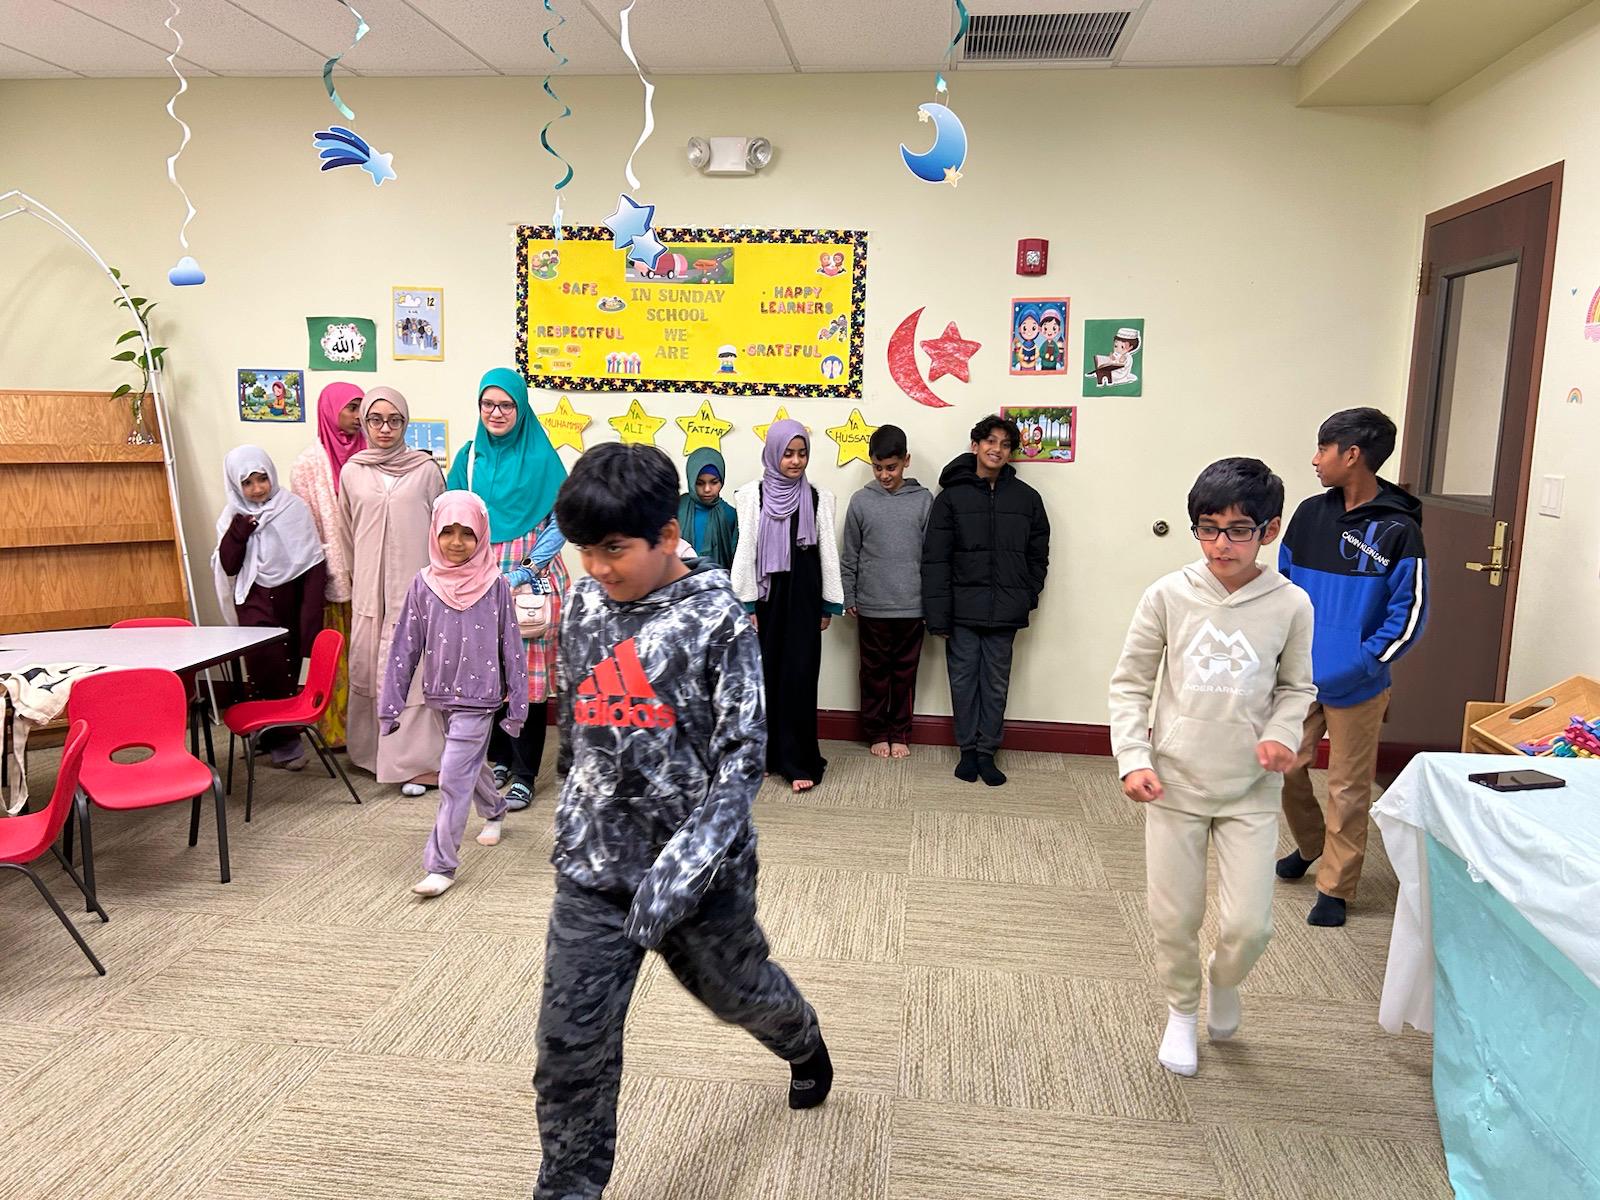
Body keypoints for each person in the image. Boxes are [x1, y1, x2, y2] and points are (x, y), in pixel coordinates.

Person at [534, 443, 831, 1199]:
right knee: (570, 1051)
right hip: (594, 872)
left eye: (613, 549)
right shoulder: (584, 602)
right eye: (584, 550)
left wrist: (683, 869)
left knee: (738, 995)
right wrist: (570, 808)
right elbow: (576, 715)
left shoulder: (717, 619)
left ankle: (802, 1039)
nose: (597, 567)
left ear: (667, 535)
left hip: (699, 877)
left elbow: (742, 760)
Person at [1110, 457, 1315, 1078]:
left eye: (1238, 530)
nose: (1221, 544)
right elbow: (1131, 684)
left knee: (1251, 926)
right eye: (1208, 528)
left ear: (1269, 530)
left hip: (1250, 789)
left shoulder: (1291, 604)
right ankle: (1180, 1010)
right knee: (1174, 918)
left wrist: (1281, 735)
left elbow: (1296, 688)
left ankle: (1224, 981)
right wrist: (1133, 757)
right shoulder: (1167, 595)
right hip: (1173, 783)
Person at [1276, 407, 1429, 927]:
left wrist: (1364, 661)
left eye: (1323, 449)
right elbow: (1283, 587)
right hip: (1301, 677)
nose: (1315, 459)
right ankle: (1311, 844)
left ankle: (1336, 887)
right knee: (1285, 766)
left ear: (1353, 454)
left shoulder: (1399, 528)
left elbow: (1408, 613)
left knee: (1347, 787)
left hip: (1359, 683)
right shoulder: (1308, 515)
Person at [381, 492, 525, 897]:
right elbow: (404, 646)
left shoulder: (495, 585)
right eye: (448, 532)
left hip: (480, 696)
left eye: (467, 533)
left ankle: (441, 865)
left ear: (481, 535)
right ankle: (495, 809)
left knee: (453, 775)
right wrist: (390, 705)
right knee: (467, 764)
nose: (457, 542)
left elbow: (512, 646)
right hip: (440, 693)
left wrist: (517, 704)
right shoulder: (423, 584)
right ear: (435, 533)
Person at [446, 367, 569, 813]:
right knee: (489, 674)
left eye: (506, 405)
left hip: (530, 580)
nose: (496, 413)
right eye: (488, 404)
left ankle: (524, 772)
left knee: (527, 677)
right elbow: (451, 516)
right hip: (479, 577)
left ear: (521, 408)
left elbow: (562, 521)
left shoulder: (542, 459)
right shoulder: (469, 457)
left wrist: (526, 569)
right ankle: (499, 758)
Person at [922, 415, 1050, 787]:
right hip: (961, 612)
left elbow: (1038, 555)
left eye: (1005, 444)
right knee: (963, 682)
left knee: (995, 684)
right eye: (990, 441)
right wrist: (938, 616)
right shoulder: (950, 497)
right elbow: (935, 559)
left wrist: (1027, 594)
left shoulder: (1027, 499)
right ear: (975, 445)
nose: (997, 449)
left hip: (1005, 611)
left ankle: (986, 752)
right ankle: (967, 750)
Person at [338, 387, 447, 797]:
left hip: (415, 590)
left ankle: (416, 762)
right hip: (370, 590)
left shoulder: (426, 470)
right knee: (371, 667)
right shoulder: (352, 471)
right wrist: (357, 578)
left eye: (394, 420)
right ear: (364, 422)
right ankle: (373, 754)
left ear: (405, 422)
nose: (385, 428)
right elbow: (346, 531)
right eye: (375, 419)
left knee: (414, 671)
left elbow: (443, 531)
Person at [731, 420, 843, 792]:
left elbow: (828, 553)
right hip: (766, 598)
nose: (795, 461)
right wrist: (745, 604)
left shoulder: (819, 497)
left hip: (804, 597)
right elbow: (745, 550)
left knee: (799, 676)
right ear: (773, 453)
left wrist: (829, 603)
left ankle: (798, 761)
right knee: (763, 676)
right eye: (788, 454)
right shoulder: (752, 495)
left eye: (802, 453)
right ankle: (764, 755)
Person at [211, 446, 327, 770]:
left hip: (290, 598)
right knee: (264, 665)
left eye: (262, 479)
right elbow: (229, 565)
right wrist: (240, 530)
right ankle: (284, 741)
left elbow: (312, 563)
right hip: (254, 600)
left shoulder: (293, 508)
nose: (257, 488)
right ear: (236, 485)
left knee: (287, 667)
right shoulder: (232, 516)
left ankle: (271, 732)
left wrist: (311, 618)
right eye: (247, 483)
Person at [841, 424, 932, 759]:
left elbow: (932, 557)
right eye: (877, 467)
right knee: (874, 674)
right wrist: (849, 595)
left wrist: (931, 603)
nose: (884, 475)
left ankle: (900, 732)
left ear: (906, 460)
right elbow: (850, 554)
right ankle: (877, 732)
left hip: (912, 606)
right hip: (872, 606)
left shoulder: (923, 501)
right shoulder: (861, 501)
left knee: (905, 674)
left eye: (891, 467)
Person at [289, 381, 365, 750]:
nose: (358, 415)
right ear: (331, 410)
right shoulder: (308, 464)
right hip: (334, 577)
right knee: (338, 657)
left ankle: (373, 731)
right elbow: (305, 528)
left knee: (371, 656)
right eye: (351, 407)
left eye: (362, 406)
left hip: (372, 573)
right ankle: (335, 731)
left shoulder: (372, 453)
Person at [675, 447, 738, 569]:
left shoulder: (729, 515)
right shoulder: (677, 507)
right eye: (700, 483)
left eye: (714, 482)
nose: (707, 489)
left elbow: (734, 559)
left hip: (716, 578)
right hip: (680, 577)